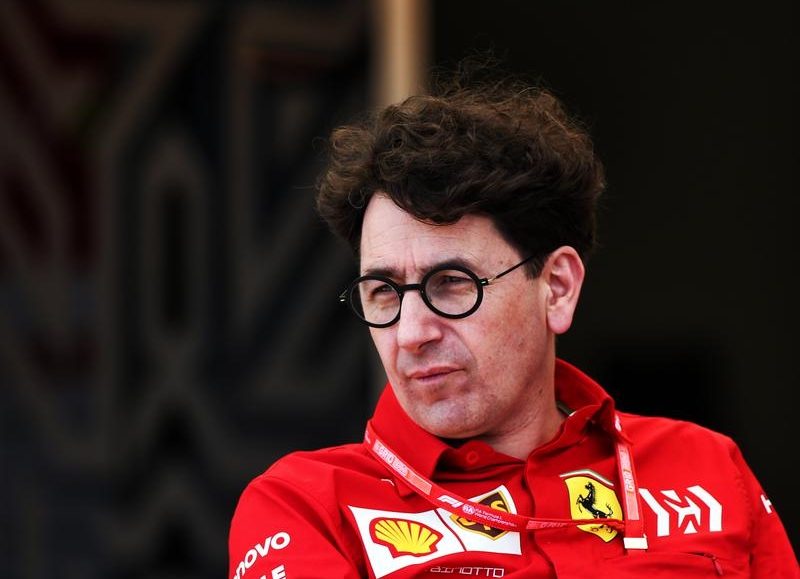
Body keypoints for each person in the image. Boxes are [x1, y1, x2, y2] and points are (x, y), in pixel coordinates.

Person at [228, 67, 797, 578]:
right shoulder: (305, 507)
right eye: (383, 292)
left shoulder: (706, 468)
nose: (411, 333)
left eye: (451, 283)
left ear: (557, 288)